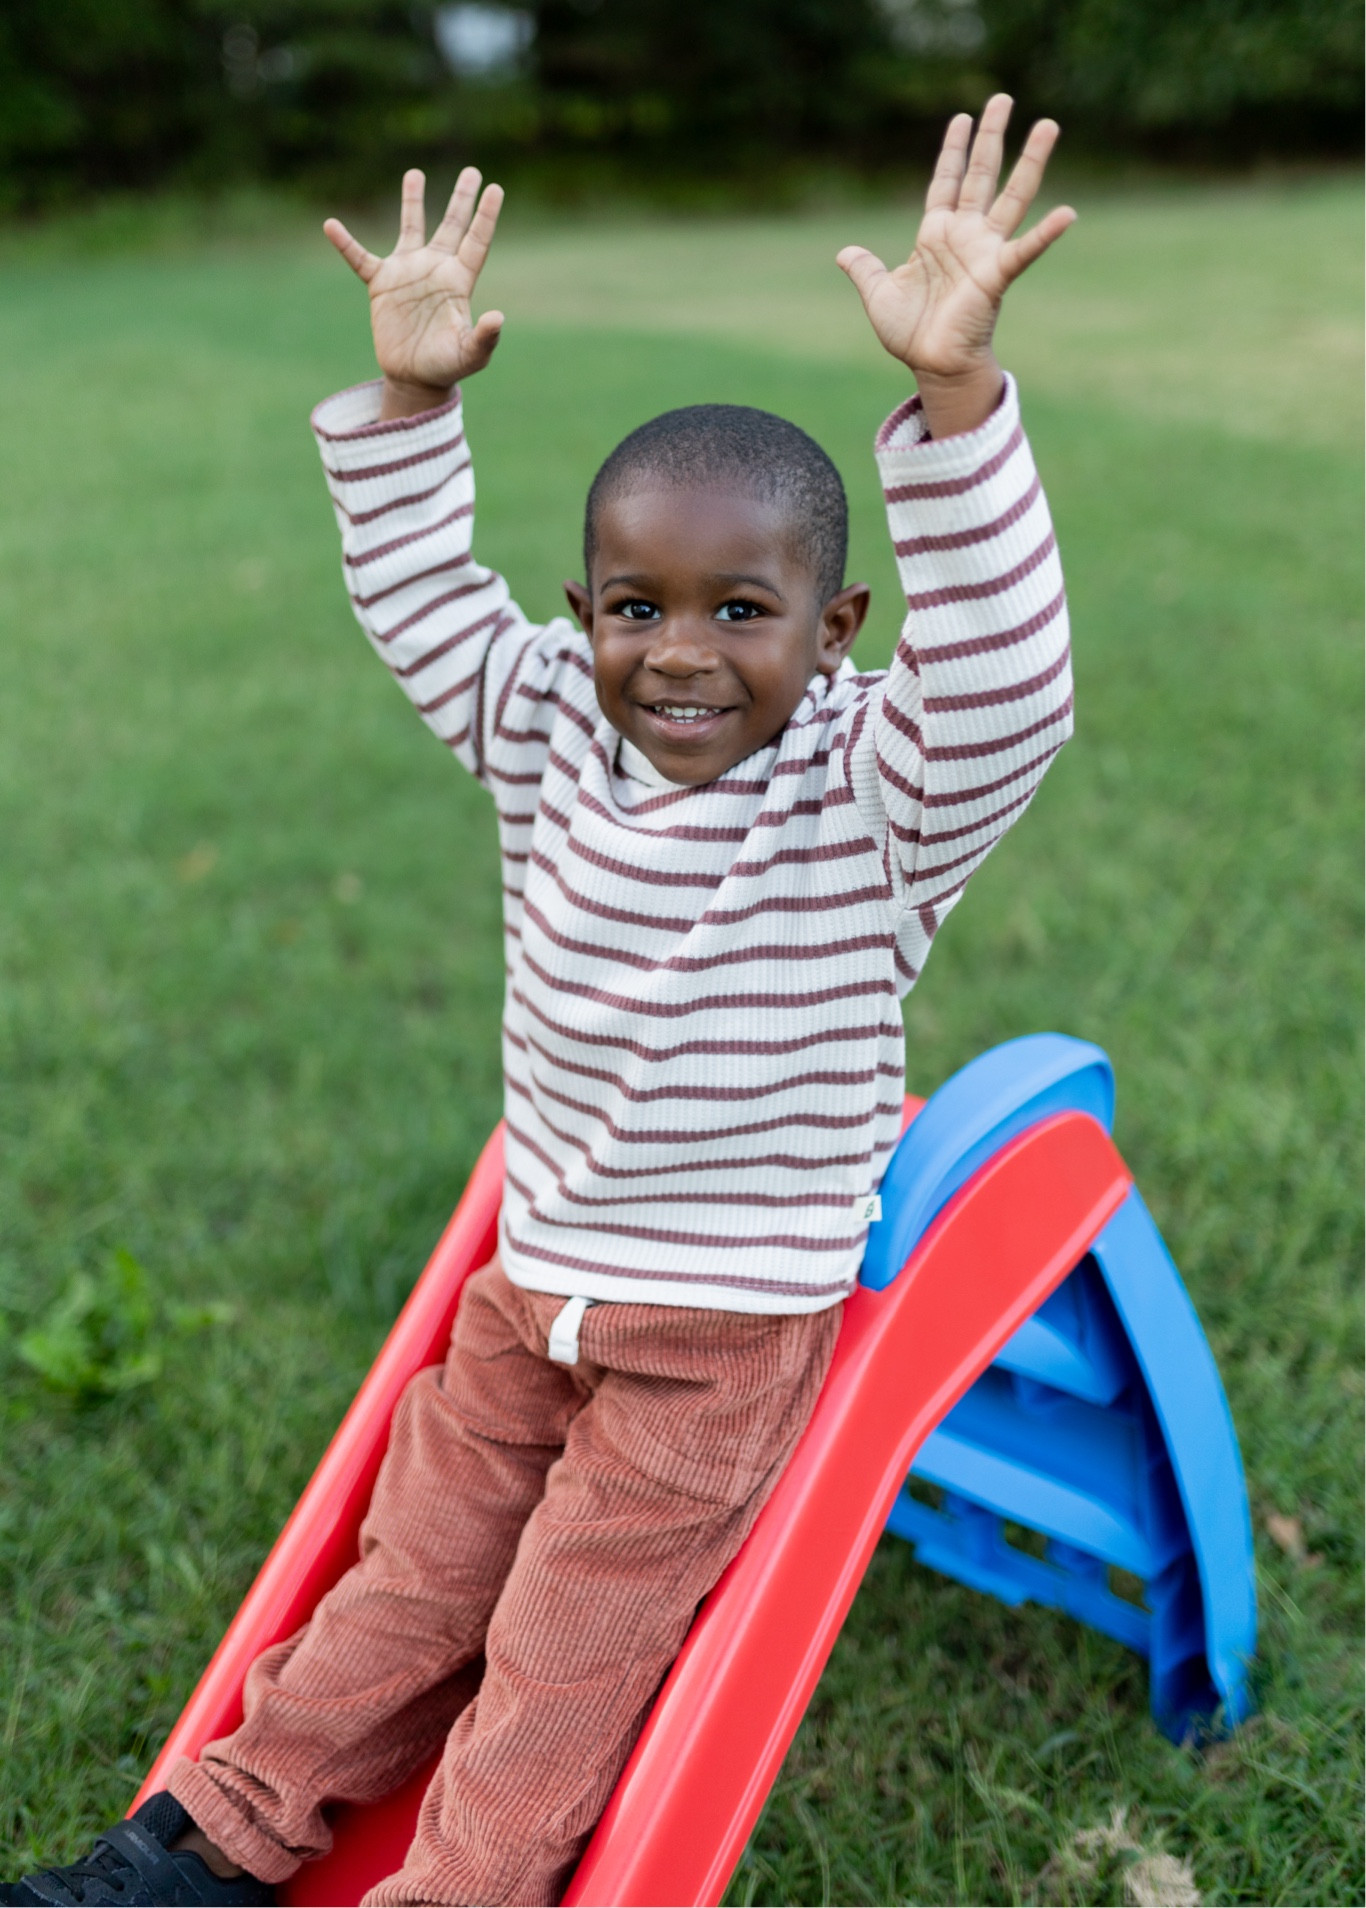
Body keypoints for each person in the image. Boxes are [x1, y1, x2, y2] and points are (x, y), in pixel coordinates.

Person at [4, 97, 1076, 1908]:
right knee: (410, 1579)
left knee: (562, 1650)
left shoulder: (876, 791)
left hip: (716, 1336)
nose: (678, 652)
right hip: (532, 1286)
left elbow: (1010, 687)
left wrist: (957, 405)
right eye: (635, 606)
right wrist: (415, 406)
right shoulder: (547, 730)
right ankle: (218, 1836)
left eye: (742, 609)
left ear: (837, 631)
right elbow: (421, 594)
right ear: (580, 612)